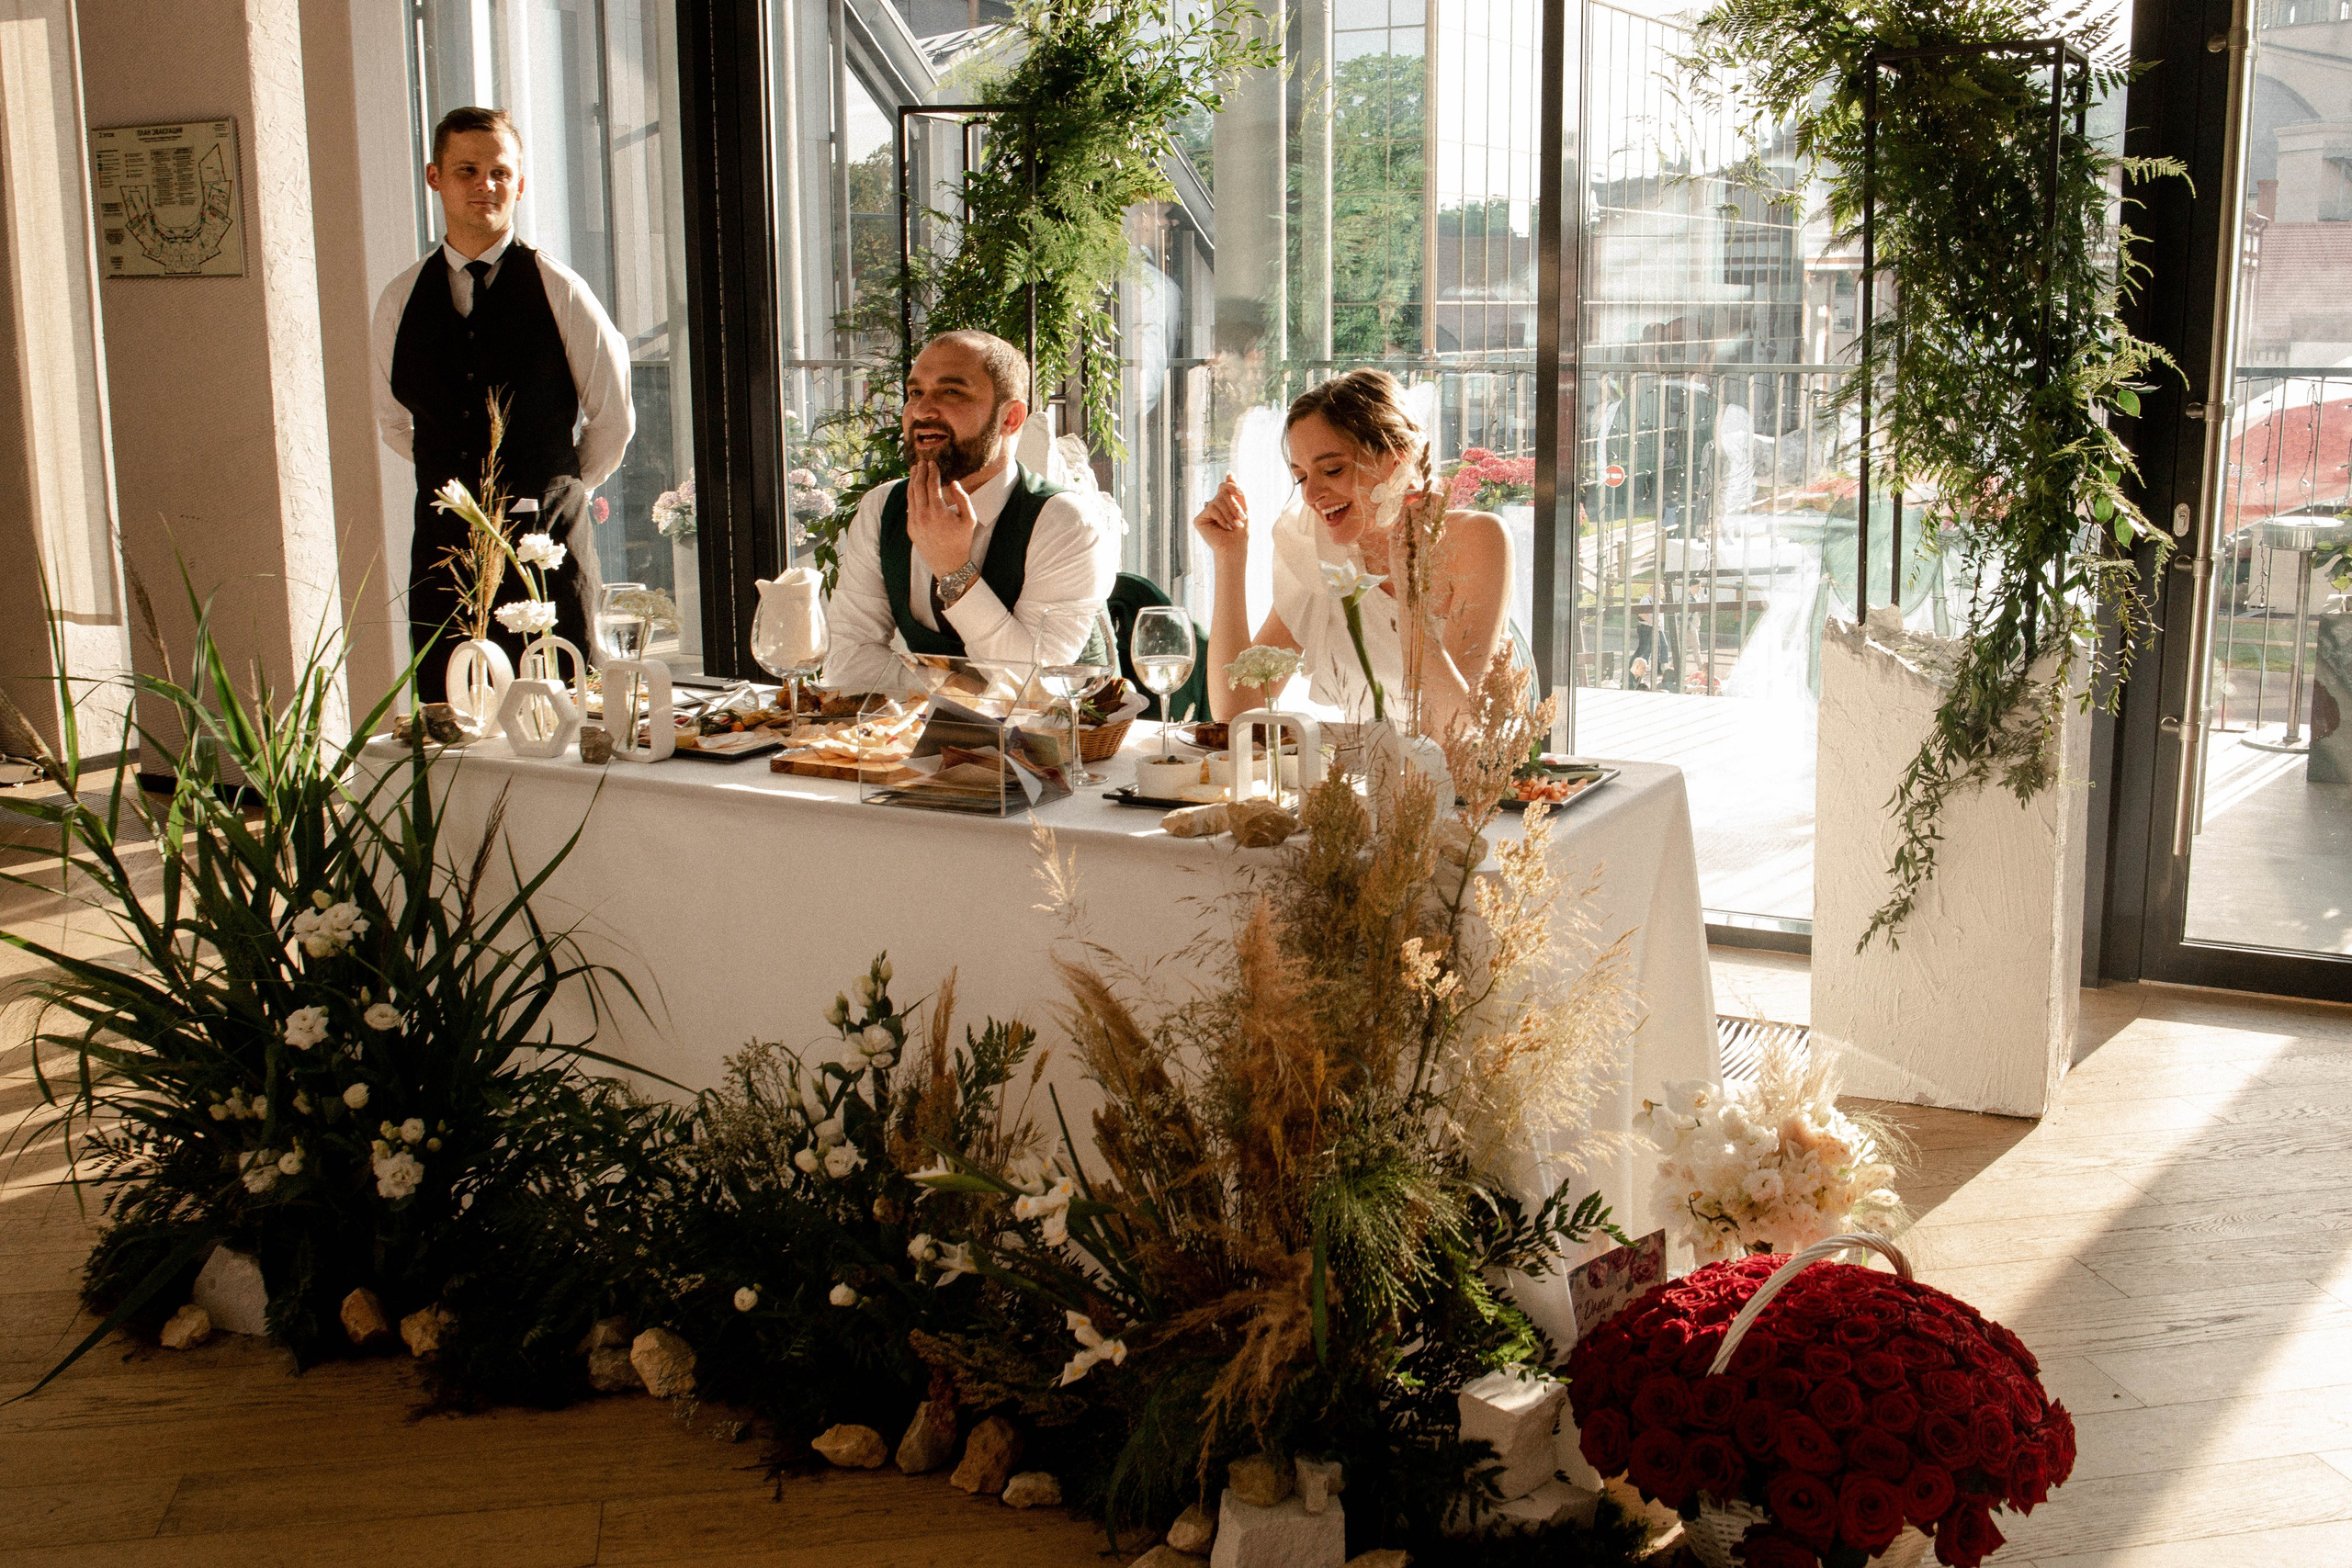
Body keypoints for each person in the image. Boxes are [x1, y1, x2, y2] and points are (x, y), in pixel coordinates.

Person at [372, 106, 633, 701]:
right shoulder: (399, 299)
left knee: (563, 709)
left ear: (519, 183)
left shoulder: (560, 289)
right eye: (467, 170)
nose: (485, 184)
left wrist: (555, 484)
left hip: (546, 545)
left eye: (499, 172)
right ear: (436, 177)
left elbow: (612, 419)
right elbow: (394, 420)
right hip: (444, 552)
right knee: (451, 713)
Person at [1193, 369, 1510, 733]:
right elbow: (1236, 713)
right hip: (1367, 777)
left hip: (1466, 781)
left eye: (1332, 469)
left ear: (1397, 459)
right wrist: (1230, 556)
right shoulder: (1316, 548)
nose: (1311, 496)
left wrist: (1409, 583)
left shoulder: (1478, 540)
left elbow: (1452, 727)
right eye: (1301, 476)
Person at [822, 330, 1115, 694]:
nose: (922, 410)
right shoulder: (881, 508)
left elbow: (1034, 687)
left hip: (1053, 744)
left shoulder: (1067, 523)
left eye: (951, 392)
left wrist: (953, 569)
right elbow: (844, 662)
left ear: (1010, 418)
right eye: (915, 393)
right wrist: (951, 686)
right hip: (915, 739)